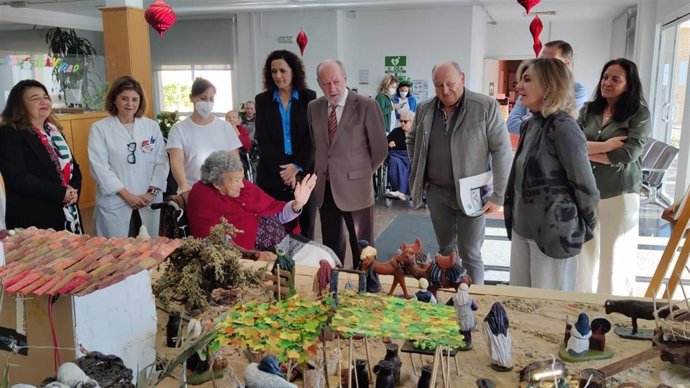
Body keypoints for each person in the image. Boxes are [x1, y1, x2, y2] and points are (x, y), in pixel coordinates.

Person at [407, 61, 512, 285]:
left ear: (462, 78)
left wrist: (499, 195)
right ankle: (448, 298)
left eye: (450, 83)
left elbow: (502, 151)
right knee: (446, 251)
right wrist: (420, 170)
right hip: (437, 192)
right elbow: (412, 139)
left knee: (471, 253)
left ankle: (475, 301)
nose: (445, 90)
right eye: (438, 85)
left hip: (474, 194)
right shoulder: (425, 109)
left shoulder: (485, 107)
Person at [503, 58, 599, 291]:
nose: (519, 87)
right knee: (521, 303)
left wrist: (585, 225)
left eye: (527, 80)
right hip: (522, 230)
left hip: (555, 235)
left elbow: (585, 185)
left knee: (547, 309)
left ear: (549, 85)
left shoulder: (564, 127)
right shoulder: (530, 124)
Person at [186, 151, 340, 268]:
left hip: (283, 241)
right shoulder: (202, 196)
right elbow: (212, 240)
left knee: (327, 255)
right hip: (258, 255)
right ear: (216, 184)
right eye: (235, 181)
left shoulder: (243, 186)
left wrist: (296, 205)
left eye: (242, 178)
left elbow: (276, 212)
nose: (242, 185)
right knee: (314, 268)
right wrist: (254, 255)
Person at [576, 58, 651, 296]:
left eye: (615, 79)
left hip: (619, 193)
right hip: (586, 190)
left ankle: (611, 310)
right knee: (583, 253)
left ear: (628, 85)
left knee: (614, 258)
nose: (607, 82)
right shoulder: (589, 110)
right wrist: (606, 145)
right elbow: (569, 145)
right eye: (605, 77)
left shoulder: (639, 114)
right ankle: (580, 305)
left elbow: (627, 154)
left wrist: (586, 151)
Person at [308, 59, 388, 269]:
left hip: (357, 190)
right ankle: (335, 285)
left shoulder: (366, 105)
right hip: (325, 190)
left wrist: (360, 173)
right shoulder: (313, 108)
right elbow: (317, 146)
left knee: (363, 246)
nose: (331, 88)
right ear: (318, 83)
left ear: (345, 78)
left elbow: (380, 149)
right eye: (325, 83)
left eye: (336, 81)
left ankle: (368, 287)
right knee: (332, 245)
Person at [88, 75, 169, 238]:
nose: (130, 104)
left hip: (148, 199)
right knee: (115, 252)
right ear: (114, 100)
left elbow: (161, 162)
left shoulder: (151, 127)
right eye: (124, 99)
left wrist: (151, 192)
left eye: (134, 99)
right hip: (116, 200)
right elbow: (100, 168)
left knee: (148, 249)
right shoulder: (100, 128)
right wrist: (127, 195)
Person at [0, 79, 82, 233]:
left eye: (45, 97)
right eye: (35, 98)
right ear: (20, 105)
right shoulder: (9, 133)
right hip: (33, 216)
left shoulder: (54, 130)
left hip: (67, 211)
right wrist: (60, 193)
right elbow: (17, 177)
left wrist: (73, 192)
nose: (43, 101)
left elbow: (74, 168)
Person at [255, 50, 318, 240]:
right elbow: (263, 139)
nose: (278, 76)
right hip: (272, 174)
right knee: (274, 227)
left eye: (283, 70)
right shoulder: (262, 100)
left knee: (304, 227)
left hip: (303, 173)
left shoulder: (309, 97)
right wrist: (285, 171)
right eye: (273, 71)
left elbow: (312, 138)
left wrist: (296, 167)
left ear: (294, 71)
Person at [167, 78, 241, 194]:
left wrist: (236, 184)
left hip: (223, 191)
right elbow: (177, 161)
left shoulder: (225, 127)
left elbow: (235, 160)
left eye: (211, 99)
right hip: (193, 190)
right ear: (191, 98)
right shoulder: (179, 129)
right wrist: (183, 186)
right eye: (203, 98)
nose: (207, 103)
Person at [506, 40, 588, 135]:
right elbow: (511, 124)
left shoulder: (577, 90)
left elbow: (555, 125)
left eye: (549, 61)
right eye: (541, 59)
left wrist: (528, 121)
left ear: (565, 63)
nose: (541, 64)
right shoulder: (529, 89)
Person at [385, 110, 414, 200]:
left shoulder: (417, 131)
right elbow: (385, 142)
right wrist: (389, 145)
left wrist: (397, 143)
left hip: (411, 155)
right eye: (401, 121)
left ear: (412, 121)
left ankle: (410, 191)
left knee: (412, 163)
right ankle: (398, 190)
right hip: (396, 155)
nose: (402, 124)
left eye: (405, 121)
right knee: (394, 162)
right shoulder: (396, 131)